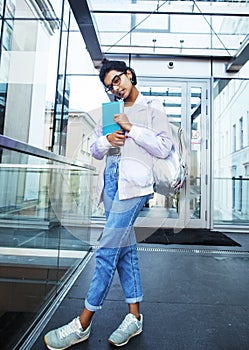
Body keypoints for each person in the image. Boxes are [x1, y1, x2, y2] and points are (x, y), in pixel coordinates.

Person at [44, 59, 173, 349]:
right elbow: (95, 149)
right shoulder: (111, 110)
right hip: (111, 183)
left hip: (135, 186)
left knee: (106, 250)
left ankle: (82, 323)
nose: (114, 88)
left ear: (128, 74)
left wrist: (132, 129)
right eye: (109, 86)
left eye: (117, 80)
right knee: (125, 251)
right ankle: (134, 317)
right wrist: (106, 139)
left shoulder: (154, 106)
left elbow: (164, 147)